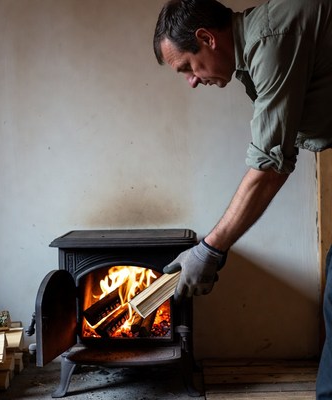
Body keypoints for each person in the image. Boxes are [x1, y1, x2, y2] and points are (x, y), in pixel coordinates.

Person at [153, 0, 332, 398]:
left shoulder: (270, 42)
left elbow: (269, 166)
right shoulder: (256, 50)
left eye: (187, 67)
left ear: (206, 38)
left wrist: (209, 249)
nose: (192, 81)